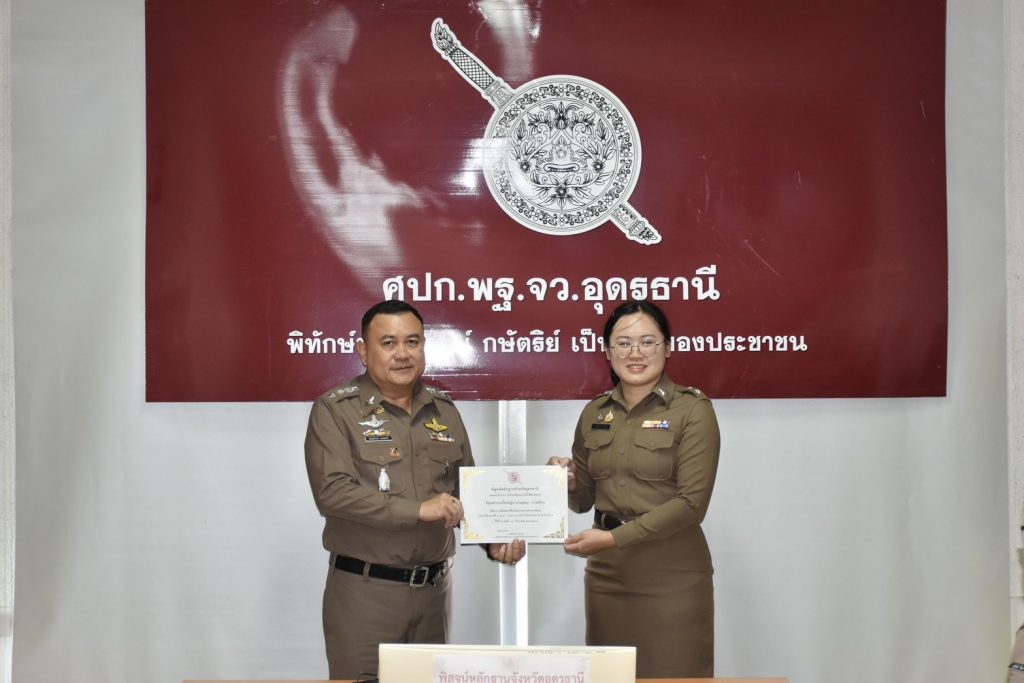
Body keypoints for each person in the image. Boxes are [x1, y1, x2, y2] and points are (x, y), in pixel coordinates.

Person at [305, 299, 524, 680]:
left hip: (433, 595)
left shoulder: (443, 410)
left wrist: (493, 541)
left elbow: (465, 494)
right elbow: (333, 492)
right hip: (366, 595)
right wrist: (418, 510)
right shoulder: (336, 410)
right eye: (388, 343)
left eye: (412, 341)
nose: (403, 354)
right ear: (363, 351)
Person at [548, 300, 721, 677]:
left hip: (673, 576)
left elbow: (692, 504)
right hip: (608, 577)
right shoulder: (595, 413)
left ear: (668, 348)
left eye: (647, 342)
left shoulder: (693, 410)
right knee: (612, 677)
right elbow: (584, 500)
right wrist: (569, 480)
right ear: (608, 351)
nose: (635, 353)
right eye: (624, 343)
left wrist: (612, 539)